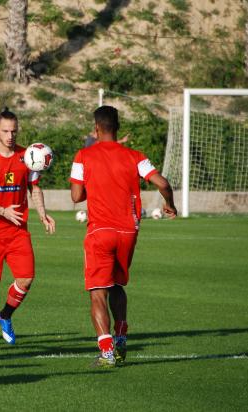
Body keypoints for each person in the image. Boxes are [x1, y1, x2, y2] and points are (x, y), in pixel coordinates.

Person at [69, 105, 177, 368]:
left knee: (97, 292)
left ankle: (106, 352)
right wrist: (170, 205)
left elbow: (76, 196)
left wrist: (92, 190)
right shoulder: (135, 156)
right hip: (128, 232)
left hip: (100, 232)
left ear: (96, 128)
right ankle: (121, 336)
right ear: (117, 127)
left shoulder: (83, 155)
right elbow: (162, 183)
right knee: (117, 285)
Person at [0, 107, 56, 346]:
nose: (10, 136)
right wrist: (3, 211)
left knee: (26, 278)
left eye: (14, 131)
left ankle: (5, 315)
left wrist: (42, 214)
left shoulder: (27, 156)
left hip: (17, 230)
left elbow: (34, 188)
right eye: (6, 131)